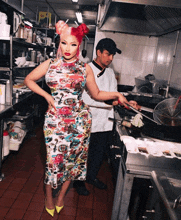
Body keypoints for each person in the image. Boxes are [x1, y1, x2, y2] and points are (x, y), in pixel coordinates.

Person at [24, 21, 129, 217]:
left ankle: (62, 195)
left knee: (73, 163)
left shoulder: (84, 69)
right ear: (59, 43)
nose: (67, 49)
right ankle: (49, 195)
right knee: (52, 162)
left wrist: (117, 95)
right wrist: (47, 96)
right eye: (64, 43)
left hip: (79, 122)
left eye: (73, 44)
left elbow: (96, 94)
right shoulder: (50, 64)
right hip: (55, 122)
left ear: (79, 45)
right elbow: (29, 79)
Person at [74, 38, 139, 196]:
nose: (110, 58)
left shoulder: (110, 73)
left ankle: (91, 177)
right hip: (88, 119)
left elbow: (112, 96)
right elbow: (91, 96)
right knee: (83, 154)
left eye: (112, 56)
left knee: (98, 154)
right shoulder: (86, 69)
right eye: (108, 54)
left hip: (105, 121)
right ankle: (78, 182)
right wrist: (116, 99)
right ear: (98, 53)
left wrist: (127, 103)